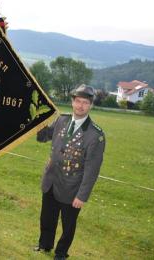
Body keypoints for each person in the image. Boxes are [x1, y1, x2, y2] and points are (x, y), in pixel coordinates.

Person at [34, 85, 105, 260]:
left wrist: (82, 196)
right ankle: (45, 245)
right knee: (47, 217)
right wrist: (38, 122)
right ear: (72, 102)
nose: (81, 106)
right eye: (78, 101)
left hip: (72, 187)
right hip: (51, 180)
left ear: (91, 106)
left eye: (85, 103)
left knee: (68, 224)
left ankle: (61, 253)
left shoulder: (95, 135)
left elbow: (92, 170)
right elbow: (42, 137)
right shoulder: (61, 121)